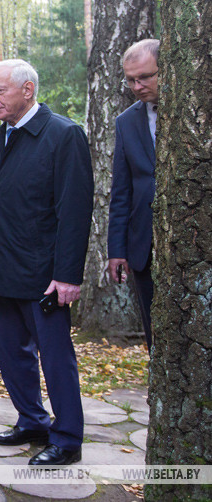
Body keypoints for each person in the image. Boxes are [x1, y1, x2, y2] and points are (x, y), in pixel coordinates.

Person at [0, 60, 93, 466]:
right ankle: (32, 420)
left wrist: (67, 275)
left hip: (44, 276)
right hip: (1, 269)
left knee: (56, 358)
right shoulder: (0, 140)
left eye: (0, 91)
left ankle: (67, 438)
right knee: (11, 354)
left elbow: (75, 211)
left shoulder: (64, 135)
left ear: (27, 90)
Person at [107, 39, 160, 352]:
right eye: (130, 80)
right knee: (155, 333)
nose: (137, 86)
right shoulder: (126, 122)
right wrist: (118, 249)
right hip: (144, 247)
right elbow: (121, 191)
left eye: (146, 77)